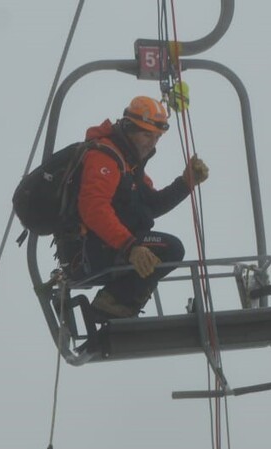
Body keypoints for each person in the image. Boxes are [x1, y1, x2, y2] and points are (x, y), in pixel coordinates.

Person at [58, 95, 209, 321]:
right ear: (129, 129)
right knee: (171, 248)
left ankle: (117, 302)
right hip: (89, 252)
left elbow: (149, 207)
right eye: (147, 134)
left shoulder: (129, 165)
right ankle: (112, 304)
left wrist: (185, 183)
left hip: (105, 248)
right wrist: (130, 247)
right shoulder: (105, 157)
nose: (152, 143)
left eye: (157, 137)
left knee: (167, 247)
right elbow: (93, 208)